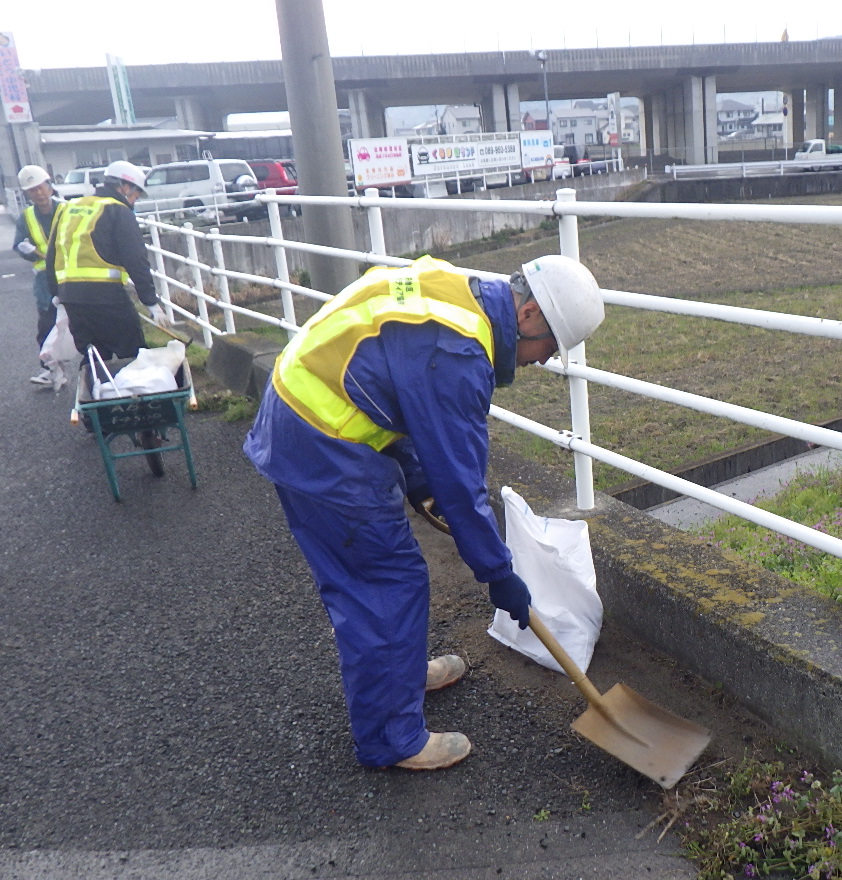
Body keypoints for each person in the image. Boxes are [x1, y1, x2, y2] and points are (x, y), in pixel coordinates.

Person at [243, 254, 605, 772]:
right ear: (527, 318)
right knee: (385, 583)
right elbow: (462, 487)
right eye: (550, 345)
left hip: (306, 415)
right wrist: (499, 575)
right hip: (325, 445)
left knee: (388, 577)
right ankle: (393, 738)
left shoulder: (458, 292)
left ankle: (400, 679)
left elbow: (397, 384)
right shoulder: (458, 354)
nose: (546, 361)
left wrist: (415, 475)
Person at [45, 159, 167, 363]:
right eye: (136, 194)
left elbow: (52, 255)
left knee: (94, 356)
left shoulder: (68, 207)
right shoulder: (118, 210)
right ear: (125, 187)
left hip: (71, 298)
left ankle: (96, 392)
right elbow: (136, 259)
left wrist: (57, 294)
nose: (135, 201)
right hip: (106, 296)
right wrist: (151, 302)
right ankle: (136, 393)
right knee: (132, 352)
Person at [11, 165, 64, 386]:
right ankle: (52, 371)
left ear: (50, 187)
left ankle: (98, 367)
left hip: (73, 276)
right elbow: (19, 244)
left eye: (41, 188)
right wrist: (30, 250)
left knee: (87, 325)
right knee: (47, 328)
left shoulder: (67, 209)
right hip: (45, 282)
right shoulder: (27, 217)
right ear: (27, 194)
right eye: (32, 190)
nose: (39, 193)